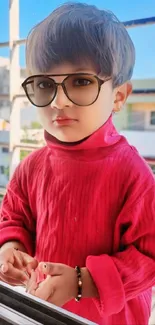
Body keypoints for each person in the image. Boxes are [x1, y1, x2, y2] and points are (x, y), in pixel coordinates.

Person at [0, 2, 155, 325]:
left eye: (81, 82)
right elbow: (14, 218)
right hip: (37, 312)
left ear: (119, 96)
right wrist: (11, 250)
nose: (59, 100)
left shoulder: (133, 175)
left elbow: (150, 256)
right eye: (44, 84)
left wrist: (83, 281)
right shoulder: (31, 167)